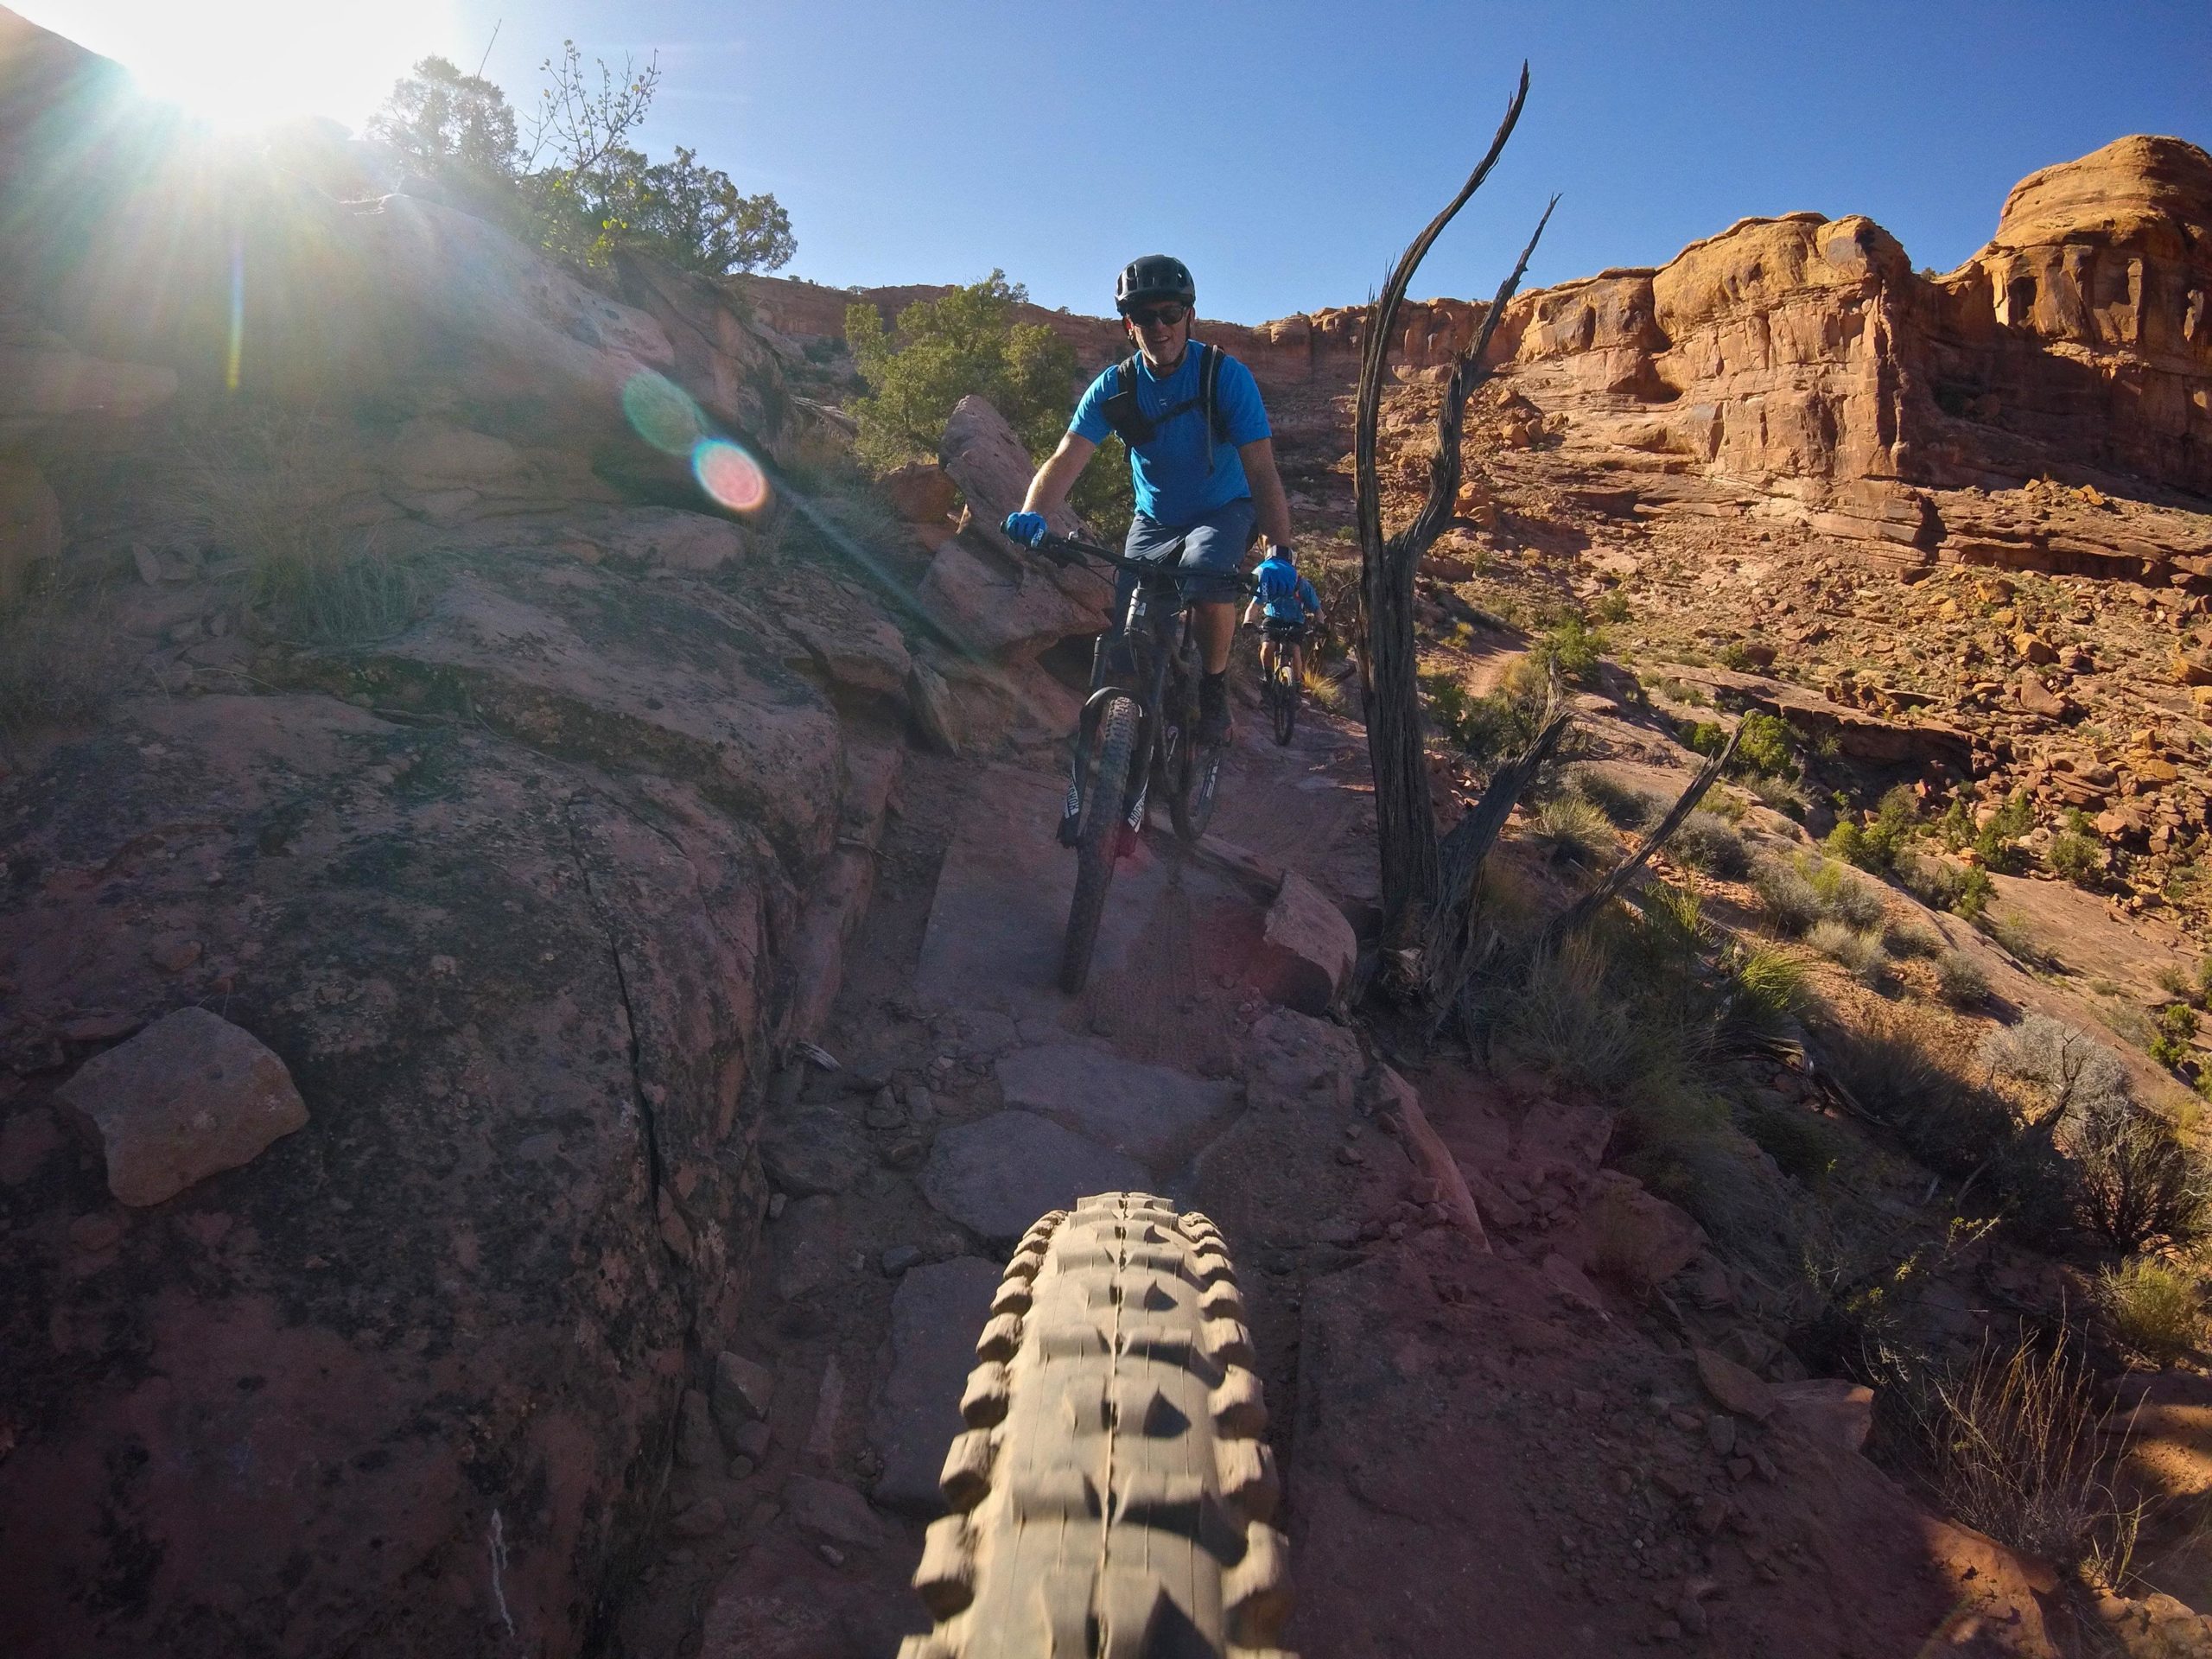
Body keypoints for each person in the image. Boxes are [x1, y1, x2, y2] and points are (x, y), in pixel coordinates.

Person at [1001, 254, 1294, 744]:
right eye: (1144, 316)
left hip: (1224, 511)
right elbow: (1067, 457)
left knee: (1205, 577)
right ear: (1128, 325)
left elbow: (1262, 471)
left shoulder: (1224, 377)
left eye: (1170, 313)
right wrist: (1033, 514)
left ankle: (1214, 688)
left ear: (1190, 317)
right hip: (1155, 520)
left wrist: (1279, 554)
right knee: (1132, 627)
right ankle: (1134, 743)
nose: (1159, 326)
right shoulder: (1115, 389)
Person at [1243, 543, 1321, 690]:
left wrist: (1320, 624)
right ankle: (1269, 678)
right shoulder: (1269, 581)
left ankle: (1296, 686)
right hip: (1273, 618)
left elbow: (1317, 609)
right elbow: (1255, 605)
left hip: (1295, 621)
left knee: (1294, 649)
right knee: (1267, 647)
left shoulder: (1302, 585)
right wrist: (1248, 621)